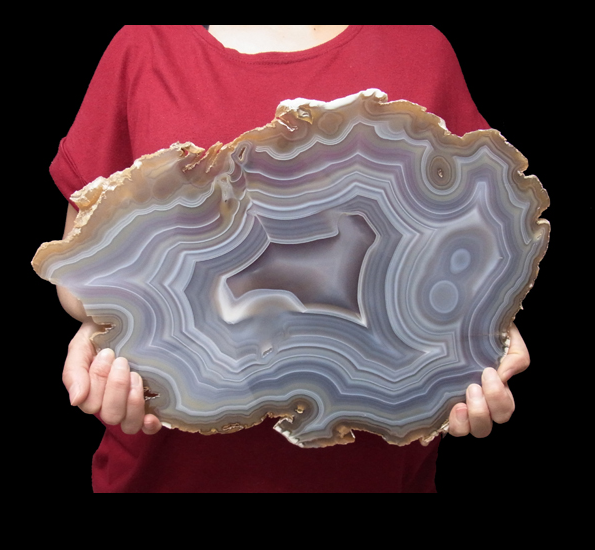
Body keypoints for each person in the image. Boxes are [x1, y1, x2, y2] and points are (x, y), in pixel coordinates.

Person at [53, 26, 530, 493]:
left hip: (371, 474)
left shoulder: (421, 49)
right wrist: (111, 323)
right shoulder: (143, 47)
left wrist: (488, 324)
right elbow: (78, 273)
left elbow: (479, 238)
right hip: (166, 474)